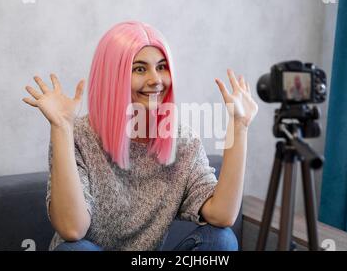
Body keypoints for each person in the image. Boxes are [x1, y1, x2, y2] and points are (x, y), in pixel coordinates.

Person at [22, 21, 258, 251]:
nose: (156, 80)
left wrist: (240, 126)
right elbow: (72, 230)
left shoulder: (183, 141)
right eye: (140, 69)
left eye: (162, 67)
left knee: (221, 240)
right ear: (112, 77)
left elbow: (222, 215)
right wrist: (62, 127)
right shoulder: (79, 137)